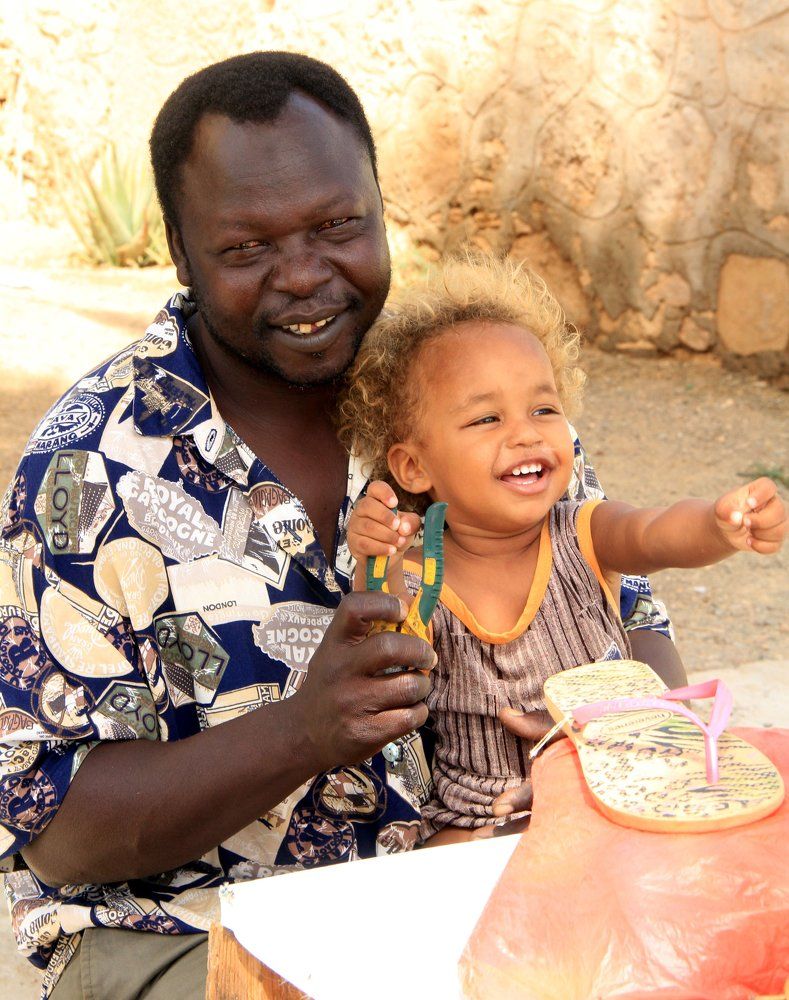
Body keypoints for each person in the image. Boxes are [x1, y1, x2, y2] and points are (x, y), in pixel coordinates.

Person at [0, 52, 682, 998]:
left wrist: (613, 745)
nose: (305, 277)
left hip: (489, 892)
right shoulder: (90, 469)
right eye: (247, 249)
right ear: (180, 250)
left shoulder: (468, 385)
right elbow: (61, 831)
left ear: (376, 202)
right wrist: (303, 732)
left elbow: (631, 615)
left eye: (336, 226)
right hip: (190, 934)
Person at [341, 254, 786, 844]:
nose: (526, 433)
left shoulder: (582, 534)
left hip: (617, 791)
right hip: (484, 823)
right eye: (486, 418)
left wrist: (716, 523)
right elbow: (387, 657)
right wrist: (379, 565)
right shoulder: (422, 577)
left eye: (544, 409)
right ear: (414, 466)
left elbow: (654, 532)